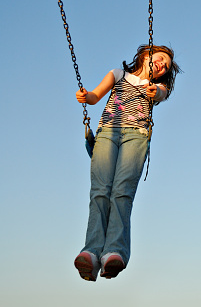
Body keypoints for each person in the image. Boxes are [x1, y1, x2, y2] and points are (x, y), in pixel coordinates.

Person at [73, 44, 181, 281]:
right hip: (107, 134)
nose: (163, 65)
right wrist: (86, 96)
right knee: (100, 191)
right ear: (146, 55)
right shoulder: (118, 74)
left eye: (166, 66)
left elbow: (161, 94)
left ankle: (114, 252)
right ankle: (91, 253)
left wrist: (157, 92)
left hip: (136, 136)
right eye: (161, 58)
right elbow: (95, 96)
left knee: (121, 192)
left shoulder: (157, 87)